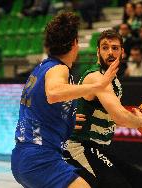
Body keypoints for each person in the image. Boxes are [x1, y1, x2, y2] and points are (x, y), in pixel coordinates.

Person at [11, 12, 120, 188]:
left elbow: (41, 104)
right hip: (40, 158)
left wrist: (65, 119)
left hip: (23, 157)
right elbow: (53, 93)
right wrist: (96, 86)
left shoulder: (41, 68)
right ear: (75, 43)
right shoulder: (58, 69)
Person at [63, 29, 142, 188]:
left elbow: (112, 114)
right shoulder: (96, 77)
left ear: (122, 52)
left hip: (98, 148)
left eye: (115, 48)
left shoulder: (114, 80)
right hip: (79, 146)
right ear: (98, 52)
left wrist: (131, 117)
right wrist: (139, 121)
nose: (110, 52)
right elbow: (119, 117)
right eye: (105, 47)